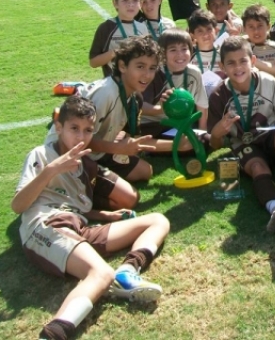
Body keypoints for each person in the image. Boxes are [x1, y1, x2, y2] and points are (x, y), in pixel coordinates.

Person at [13, 96, 169, 340]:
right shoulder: (42, 154)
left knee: (158, 220)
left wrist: (104, 215)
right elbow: (18, 205)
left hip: (77, 229)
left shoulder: (85, 165)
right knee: (100, 274)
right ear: (59, 128)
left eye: (87, 130)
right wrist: (52, 170)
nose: (81, 136)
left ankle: (127, 271)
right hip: (46, 226)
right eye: (74, 128)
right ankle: (52, 334)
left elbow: (74, 208)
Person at [50, 36, 179, 192]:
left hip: (98, 151)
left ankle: (97, 178)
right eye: (140, 66)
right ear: (122, 66)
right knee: (129, 197)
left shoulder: (134, 96)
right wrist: (117, 148)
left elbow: (133, 139)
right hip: (69, 153)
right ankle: (75, 186)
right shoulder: (106, 94)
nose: (147, 75)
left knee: (145, 171)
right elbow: (79, 141)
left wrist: (178, 143)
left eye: (152, 68)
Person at [208, 37, 275, 232]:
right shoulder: (219, 96)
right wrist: (218, 132)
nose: (238, 67)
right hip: (244, 144)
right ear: (222, 66)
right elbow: (214, 144)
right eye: (231, 63)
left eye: (243, 61)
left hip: (270, 136)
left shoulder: (268, 82)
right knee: (257, 167)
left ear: (253, 61)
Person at [141, 29, 208, 138]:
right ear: (163, 53)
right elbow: (140, 105)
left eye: (184, 49)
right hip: (153, 124)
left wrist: (202, 132)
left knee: (204, 140)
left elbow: (202, 106)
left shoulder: (194, 73)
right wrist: (160, 110)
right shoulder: (155, 73)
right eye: (173, 50)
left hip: (180, 123)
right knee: (182, 144)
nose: (180, 54)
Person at [90, 0, 149, 77]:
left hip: (137, 82)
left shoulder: (142, 28)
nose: (130, 4)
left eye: (135, 0)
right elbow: (93, 62)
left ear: (141, 3)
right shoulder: (106, 28)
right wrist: (116, 52)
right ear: (115, 3)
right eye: (125, 0)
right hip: (114, 82)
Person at [242, 3, 275, 78]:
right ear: (244, 29)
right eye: (251, 27)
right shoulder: (241, 49)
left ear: (268, 26)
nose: (256, 31)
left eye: (260, 26)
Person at [188, 9, 225, 78]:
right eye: (200, 31)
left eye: (209, 29)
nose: (205, 35)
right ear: (192, 35)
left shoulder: (223, 54)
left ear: (215, 30)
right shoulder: (188, 56)